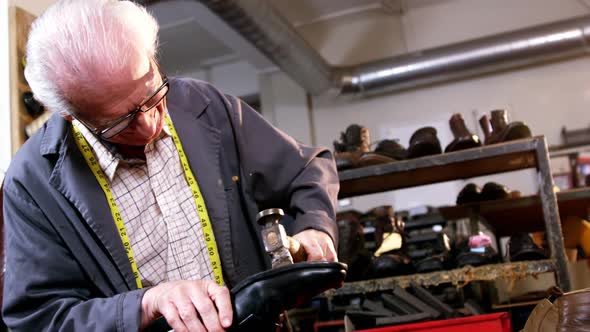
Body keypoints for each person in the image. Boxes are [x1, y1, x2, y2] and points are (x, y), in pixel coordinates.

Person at [1, 0, 339, 331]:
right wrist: (145, 304)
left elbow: (307, 170)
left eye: (151, 93)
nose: (149, 124)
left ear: (152, 57)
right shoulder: (33, 183)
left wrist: (315, 226)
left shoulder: (203, 104)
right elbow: (39, 318)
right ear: (69, 113)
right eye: (120, 122)